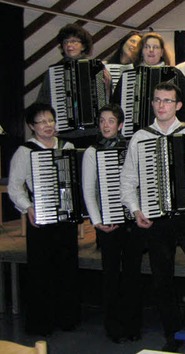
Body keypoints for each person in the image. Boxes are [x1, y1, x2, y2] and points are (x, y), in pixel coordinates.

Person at [119, 82, 185, 352]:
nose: (161, 105)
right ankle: (172, 330)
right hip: (156, 217)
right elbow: (128, 180)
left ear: (178, 105)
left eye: (167, 101)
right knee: (162, 275)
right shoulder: (140, 137)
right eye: (157, 100)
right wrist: (136, 210)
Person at [8, 103, 80, 335]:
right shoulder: (25, 151)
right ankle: (42, 323)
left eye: (50, 120)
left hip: (66, 217)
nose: (48, 126)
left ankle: (67, 318)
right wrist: (28, 207)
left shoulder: (67, 146)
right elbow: (15, 186)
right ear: (32, 126)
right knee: (41, 271)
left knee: (67, 268)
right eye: (41, 122)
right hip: (39, 218)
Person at [81, 103, 144, 343]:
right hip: (107, 225)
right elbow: (89, 190)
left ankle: (132, 326)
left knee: (132, 275)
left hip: (131, 223)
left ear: (120, 125)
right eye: (102, 121)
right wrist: (97, 222)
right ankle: (113, 327)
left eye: (110, 121)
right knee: (110, 276)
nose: (105, 125)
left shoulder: (131, 148)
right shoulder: (91, 151)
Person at [112, 32, 185, 124]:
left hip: (169, 130)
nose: (151, 50)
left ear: (162, 52)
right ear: (141, 51)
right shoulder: (129, 75)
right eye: (146, 47)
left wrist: (177, 127)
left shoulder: (175, 74)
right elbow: (116, 105)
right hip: (135, 131)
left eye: (155, 47)